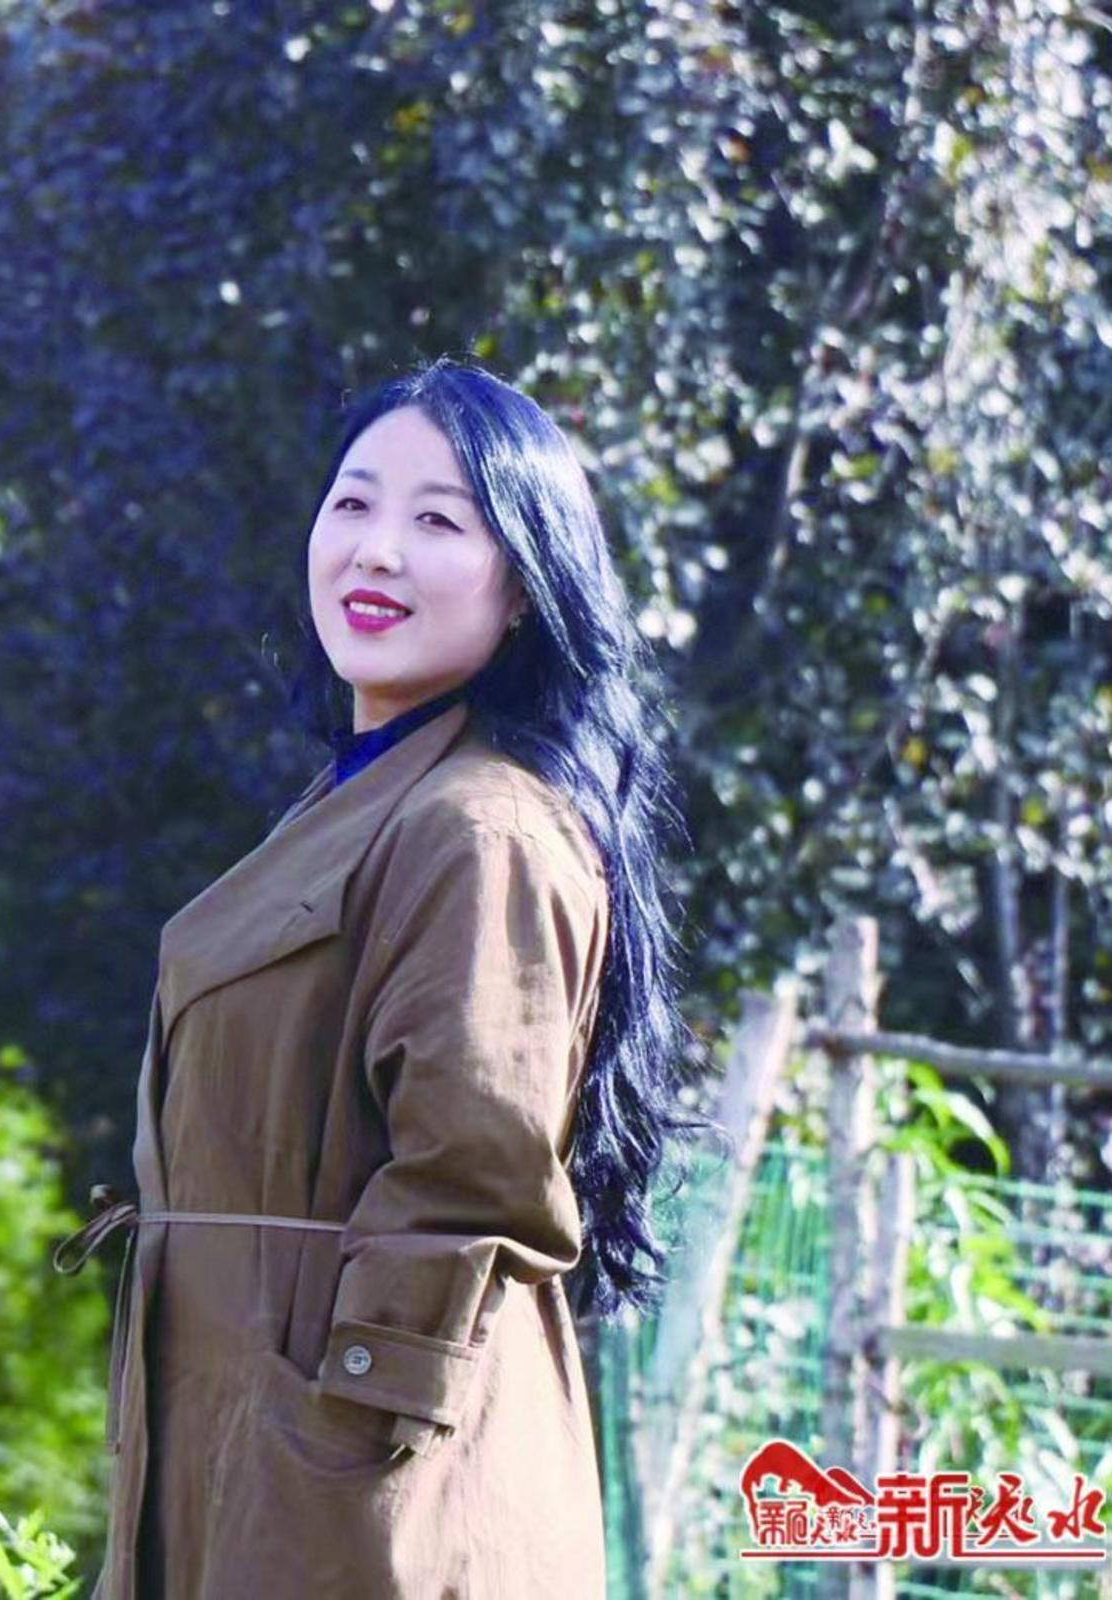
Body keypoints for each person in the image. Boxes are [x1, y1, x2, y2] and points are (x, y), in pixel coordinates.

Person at [52, 357, 708, 1598]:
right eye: (352, 502)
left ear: (524, 589)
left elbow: (470, 1180)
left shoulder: (481, 824)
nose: (377, 549)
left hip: (367, 1499)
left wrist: (334, 1446)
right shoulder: (361, 799)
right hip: (247, 1453)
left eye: (438, 520)